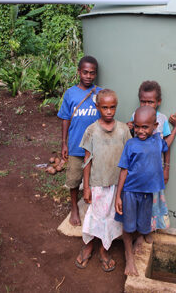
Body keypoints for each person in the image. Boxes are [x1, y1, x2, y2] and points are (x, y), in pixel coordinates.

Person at [75, 89, 131, 271]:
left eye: (112, 107)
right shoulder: (91, 131)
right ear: (97, 107)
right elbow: (87, 160)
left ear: (116, 107)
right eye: (104, 107)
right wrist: (86, 187)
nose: (109, 111)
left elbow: (128, 158)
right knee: (95, 216)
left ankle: (103, 249)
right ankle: (89, 245)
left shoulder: (123, 130)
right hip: (97, 184)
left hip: (116, 184)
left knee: (110, 218)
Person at [115, 106, 169, 276]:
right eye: (137, 126)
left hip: (147, 193)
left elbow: (168, 144)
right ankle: (128, 256)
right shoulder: (131, 144)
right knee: (128, 226)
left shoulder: (158, 141)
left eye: (145, 127)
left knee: (143, 222)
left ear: (155, 125)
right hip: (130, 192)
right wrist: (118, 196)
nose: (140, 130)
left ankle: (140, 238)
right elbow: (123, 170)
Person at [127, 80, 176, 240]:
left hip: (154, 171)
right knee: (138, 203)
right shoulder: (135, 116)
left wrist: (167, 167)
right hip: (137, 171)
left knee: (152, 203)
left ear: (158, 102)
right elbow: (131, 142)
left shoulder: (162, 119)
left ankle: (148, 231)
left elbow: (165, 145)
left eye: (150, 101)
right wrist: (129, 128)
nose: (147, 104)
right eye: (143, 101)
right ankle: (138, 233)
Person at [58, 55, 101, 226]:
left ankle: (93, 209)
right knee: (74, 179)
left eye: (92, 73)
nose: (88, 76)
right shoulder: (71, 93)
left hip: (96, 148)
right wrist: (64, 142)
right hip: (76, 146)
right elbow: (65, 118)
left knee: (95, 180)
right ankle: (74, 207)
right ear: (79, 72)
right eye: (85, 72)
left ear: (95, 74)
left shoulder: (100, 93)